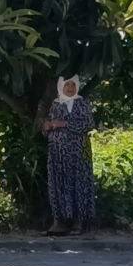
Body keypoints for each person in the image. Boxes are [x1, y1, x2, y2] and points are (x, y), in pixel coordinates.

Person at [40, 76, 96, 236]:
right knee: (58, 183)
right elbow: (47, 125)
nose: (70, 88)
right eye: (67, 85)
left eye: (73, 85)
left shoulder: (82, 103)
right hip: (57, 153)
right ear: (61, 87)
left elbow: (88, 124)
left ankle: (79, 222)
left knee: (78, 182)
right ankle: (60, 222)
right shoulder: (55, 104)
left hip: (78, 152)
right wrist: (47, 126)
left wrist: (64, 124)